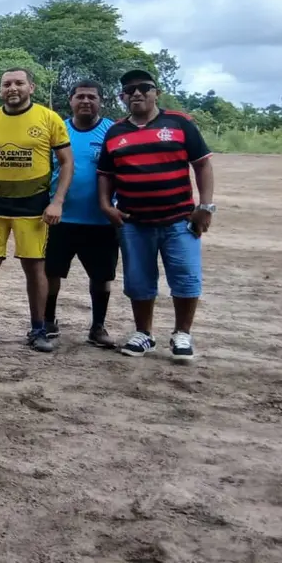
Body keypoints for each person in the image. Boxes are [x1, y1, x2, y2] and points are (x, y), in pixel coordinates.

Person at [98, 69, 214, 363]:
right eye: (130, 89)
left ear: (155, 92)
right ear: (123, 96)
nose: (137, 93)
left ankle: (182, 335)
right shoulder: (115, 132)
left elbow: (202, 165)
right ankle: (143, 334)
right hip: (134, 222)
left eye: (143, 88)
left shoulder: (180, 123)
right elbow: (105, 175)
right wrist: (106, 205)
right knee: (138, 281)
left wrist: (206, 207)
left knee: (186, 278)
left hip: (180, 221)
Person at [0, 68, 73, 352]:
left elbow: (67, 162)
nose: (13, 88)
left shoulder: (48, 118)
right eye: (7, 83)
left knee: (34, 267)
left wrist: (57, 201)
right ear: (0, 90)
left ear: (31, 87)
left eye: (19, 83)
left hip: (34, 206)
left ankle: (38, 329)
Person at [45, 80, 119, 348]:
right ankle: (48, 321)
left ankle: (97, 327)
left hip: (101, 221)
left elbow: (122, 171)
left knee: (101, 278)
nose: (86, 101)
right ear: (71, 100)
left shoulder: (112, 132)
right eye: (80, 96)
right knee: (51, 273)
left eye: (92, 97)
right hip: (60, 218)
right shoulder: (58, 129)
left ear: (101, 101)